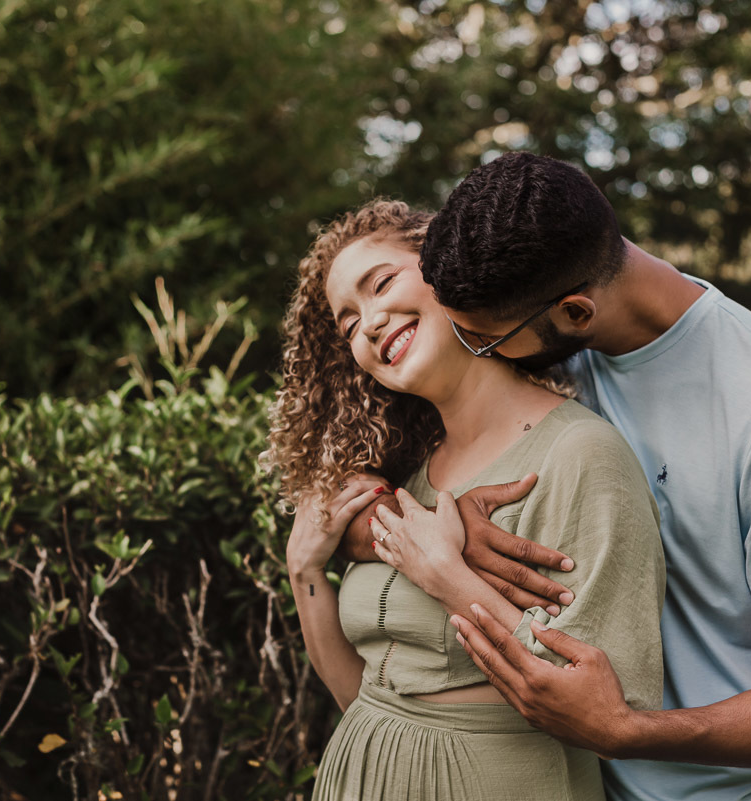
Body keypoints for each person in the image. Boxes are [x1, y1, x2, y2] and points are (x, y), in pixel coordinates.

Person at [367, 152, 751, 800]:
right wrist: (454, 517)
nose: (482, 355)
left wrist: (631, 730)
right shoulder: (559, 352)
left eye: (481, 339)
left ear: (576, 312)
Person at [264, 199, 665, 800]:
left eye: (382, 284)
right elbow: (365, 696)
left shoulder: (580, 454)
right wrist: (305, 572)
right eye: (348, 324)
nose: (369, 322)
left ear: (445, 272)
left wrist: (447, 575)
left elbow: (609, 711)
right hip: (362, 775)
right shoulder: (409, 475)